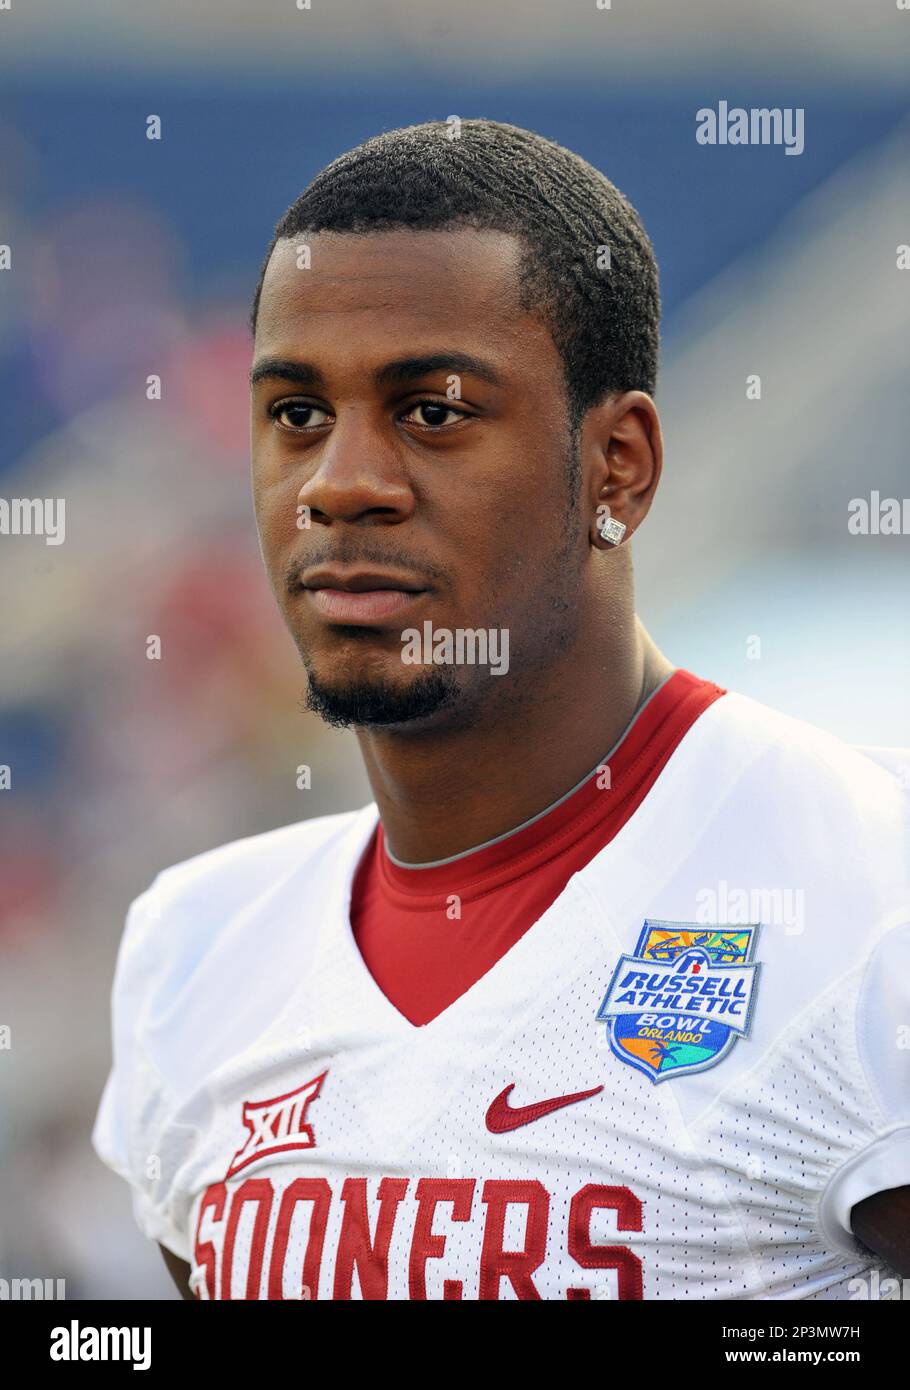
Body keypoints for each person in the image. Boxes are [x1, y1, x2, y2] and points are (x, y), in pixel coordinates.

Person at [93, 119, 910, 1300]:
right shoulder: (198, 950)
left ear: (617, 465)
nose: (341, 483)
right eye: (295, 414)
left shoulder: (869, 898)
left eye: (432, 409)